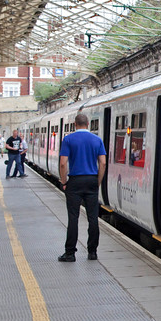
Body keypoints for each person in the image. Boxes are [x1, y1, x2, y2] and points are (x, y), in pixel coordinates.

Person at [58, 112, 106, 262]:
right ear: (89, 124)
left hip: (75, 181)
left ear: (75, 124)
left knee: (73, 218)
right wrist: (97, 181)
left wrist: (64, 181)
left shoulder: (68, 139)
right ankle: (92, 252)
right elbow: (103, 163)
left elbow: (63, 163)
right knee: (93, 217)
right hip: (91, 180)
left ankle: (70, 253)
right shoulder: (97, 140)